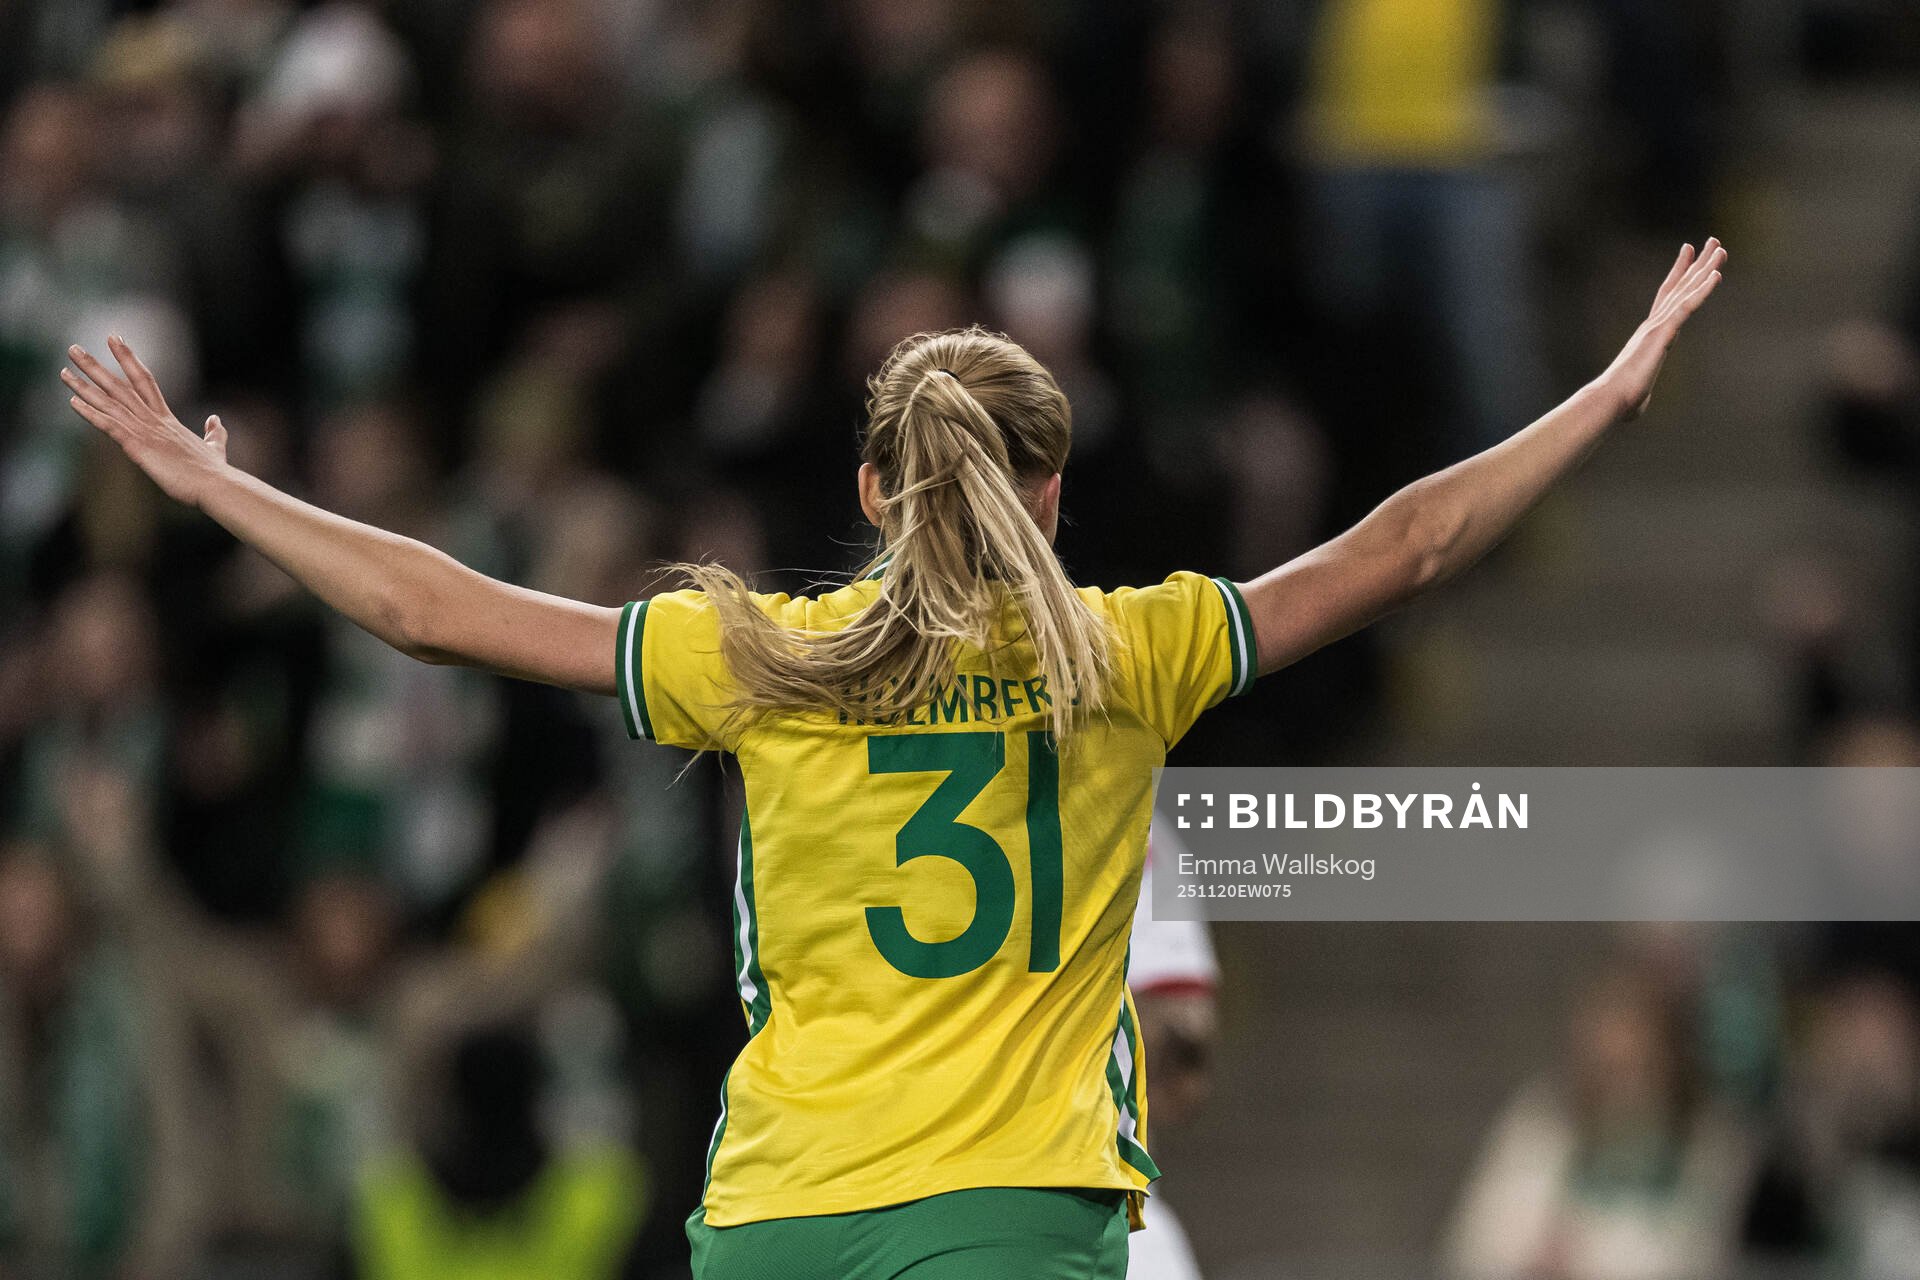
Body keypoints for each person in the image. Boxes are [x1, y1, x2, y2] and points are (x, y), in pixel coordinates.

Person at [57, 238, 1726, 1278]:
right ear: (1056, 494)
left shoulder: (757, 660)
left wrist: (219, 490)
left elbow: (433, 608)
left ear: (865, 494)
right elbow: (1413, 541)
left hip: (781, 1214)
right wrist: (1601, 393)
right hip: (1009, 1211)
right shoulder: (1129, 655)